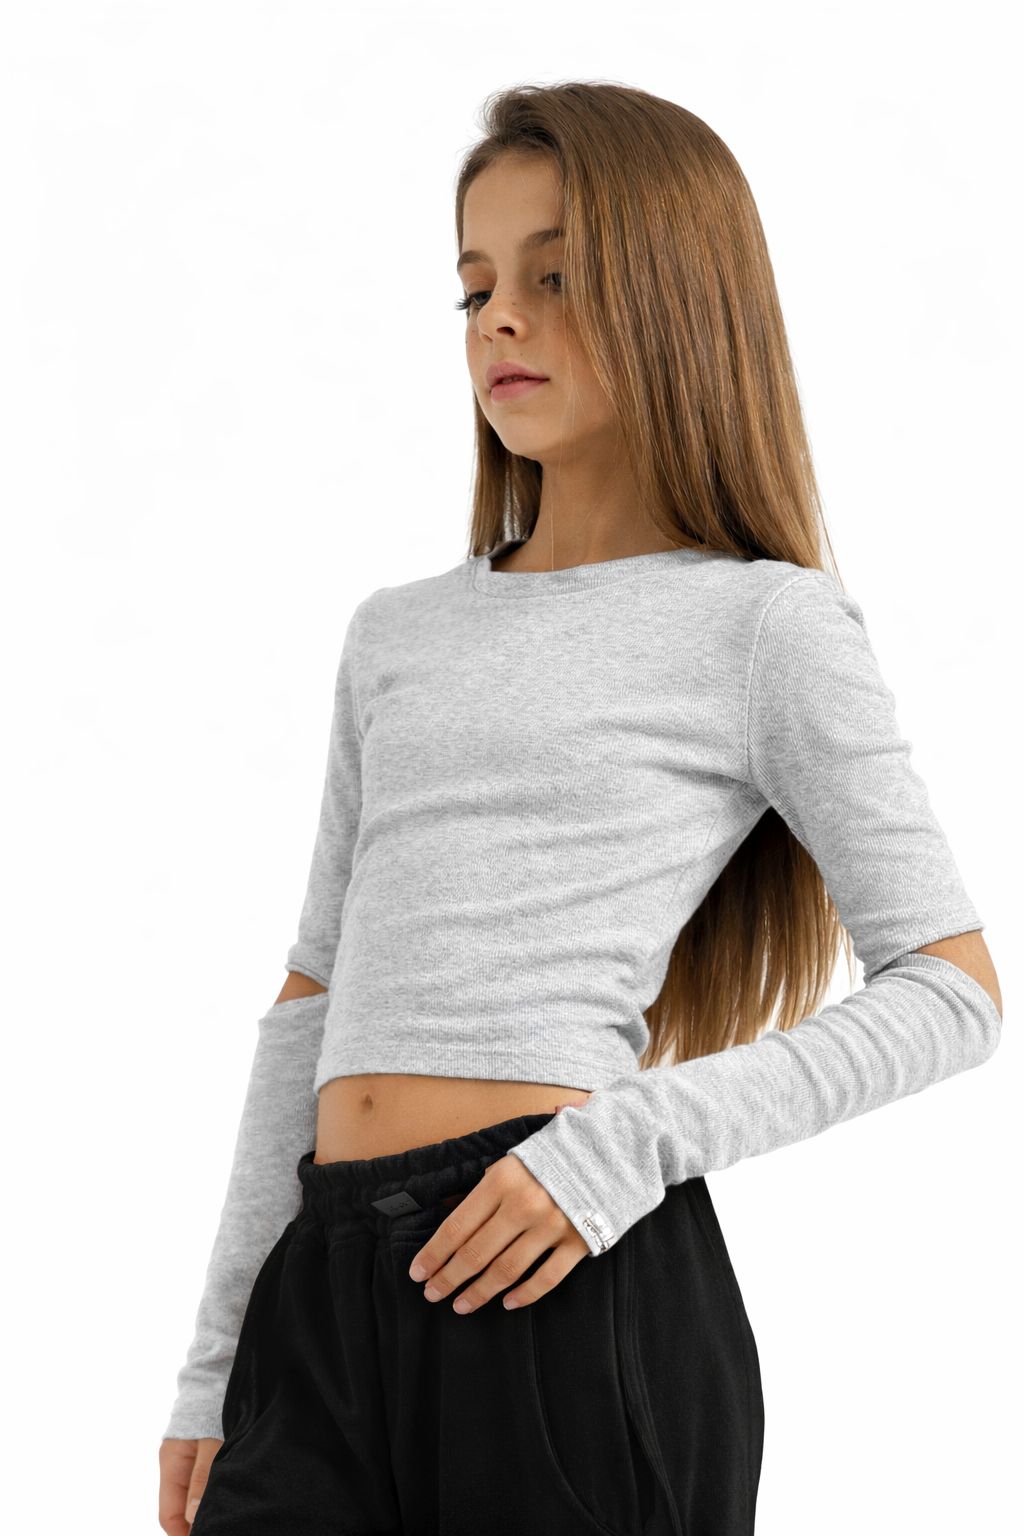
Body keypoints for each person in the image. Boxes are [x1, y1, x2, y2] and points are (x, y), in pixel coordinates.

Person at [157, 81, 1003, 1536]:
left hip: (560, 1273)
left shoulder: (762, 626)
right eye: (476, 285)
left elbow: (955, 989)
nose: (499, 319)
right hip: (323, 1293)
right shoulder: (397, 632)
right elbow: (312, 996)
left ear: (678, 297)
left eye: (554, 276)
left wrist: (623, 1145)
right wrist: (215, 1362)